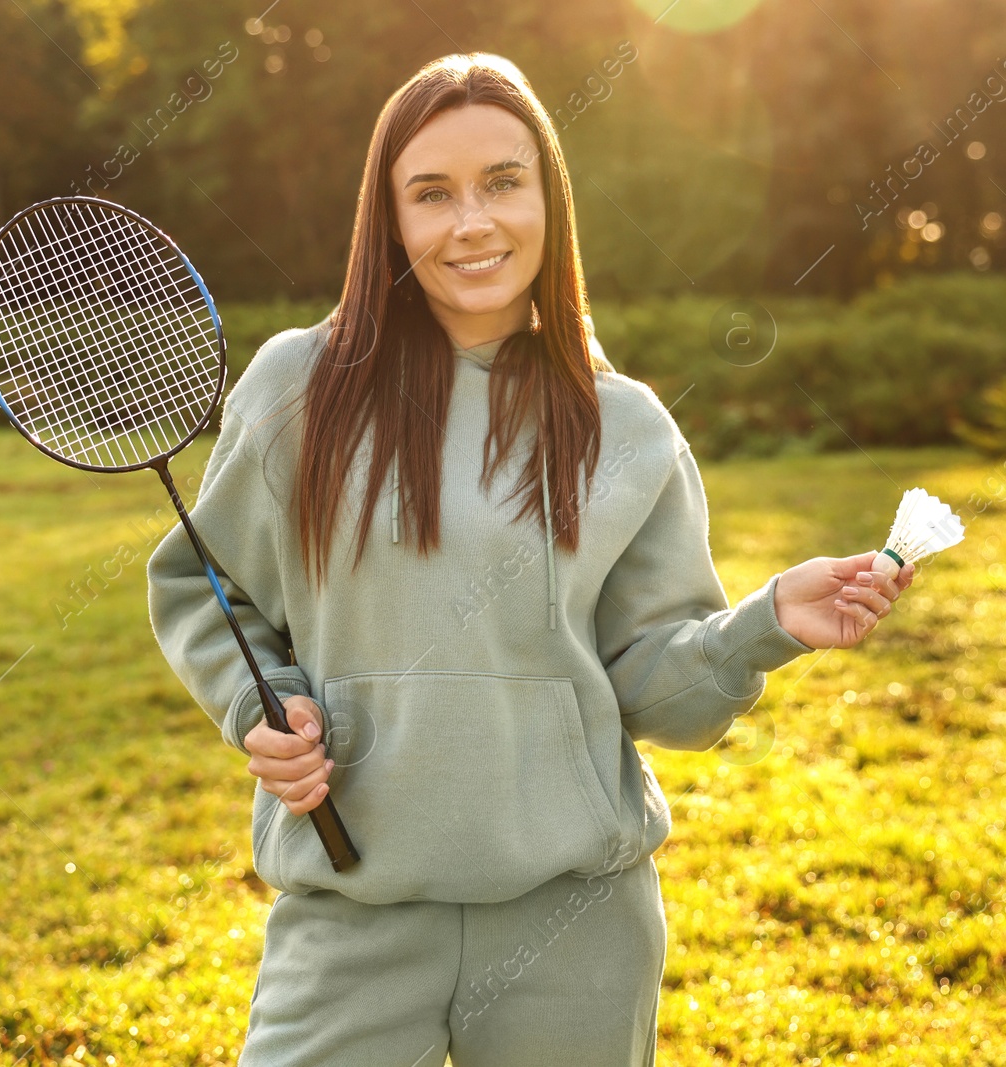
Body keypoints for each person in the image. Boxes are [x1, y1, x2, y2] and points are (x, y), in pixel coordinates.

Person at [146, 51, 913, 1067]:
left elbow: (660, 692)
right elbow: (207, 590)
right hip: (352, 915)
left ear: (549, 199)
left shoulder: (625, 425)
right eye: (432, 194)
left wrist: (766, 622)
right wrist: (263, 703)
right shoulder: (298, 388)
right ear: (390, 221)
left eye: (503, 183)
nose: (472, 222)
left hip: (577, 925)